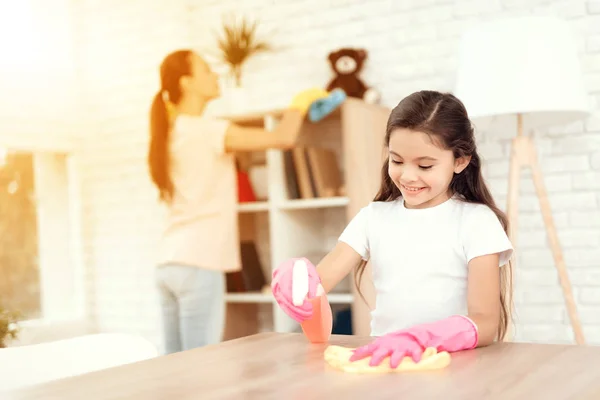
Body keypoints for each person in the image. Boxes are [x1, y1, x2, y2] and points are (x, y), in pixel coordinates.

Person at [271, 90, 514, 368]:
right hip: (384, 363)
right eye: (397, 161)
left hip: (450, 366)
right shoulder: (373, 217)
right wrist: (297, 283)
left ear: (460, 161)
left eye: (425, 165)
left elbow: (484, 323)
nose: (408, 176)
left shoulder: (476, 221)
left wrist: (421, 338)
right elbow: (319, 282)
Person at [148, 49, 310, 354]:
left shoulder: (169, 133)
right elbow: (283, 137)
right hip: (198, 262)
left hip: (168, 262)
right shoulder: (208, 130)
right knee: (200, 362)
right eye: (207, 70)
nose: (215, 76)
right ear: (186, 83)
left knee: (171, 366)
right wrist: (300, 103)